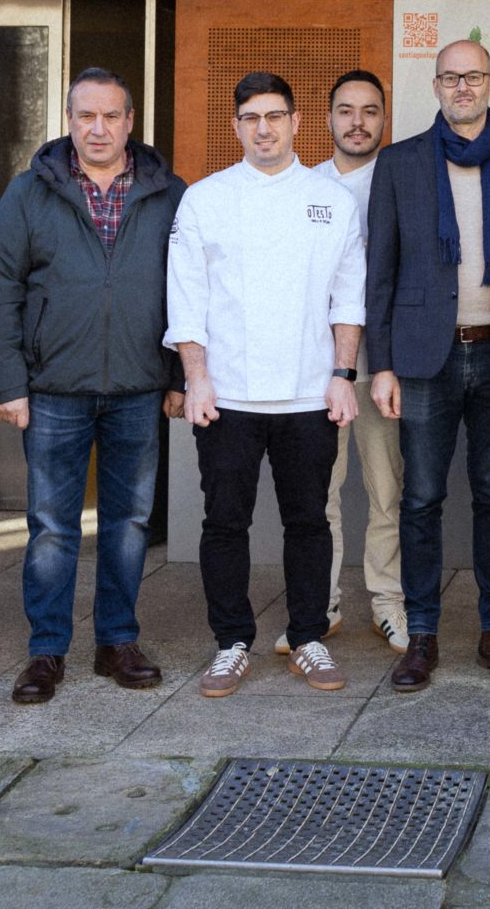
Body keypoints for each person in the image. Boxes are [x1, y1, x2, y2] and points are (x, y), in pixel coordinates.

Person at [0, 68, 186, 705]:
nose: (99, 128)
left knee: (129, 523)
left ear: (129, 121)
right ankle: (47, 651)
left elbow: (195, 291)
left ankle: (118, 640)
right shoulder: (29, 193)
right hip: (53, 389)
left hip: (139, 387)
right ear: (69, 119)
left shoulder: (168, 193)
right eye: (86, 116)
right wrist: (6, 384)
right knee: (52, 526)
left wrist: (178, 375)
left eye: (111, 116)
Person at [168, 72, 365, 697]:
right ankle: (230, 644)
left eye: (275, 115)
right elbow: (187, 298)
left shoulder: (332, 200)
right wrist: (196, 379)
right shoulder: (205, 199)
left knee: (309, 520)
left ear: (296, 122)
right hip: (226, 396)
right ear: (236, 126)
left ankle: (308, 637)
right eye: (251, 117)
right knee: (224, 523)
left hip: (310, 394)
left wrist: (342, 374)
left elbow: (348, 296)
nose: (264, 128)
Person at [366, 39, 490, 693]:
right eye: (450, 78)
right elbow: (379, 270)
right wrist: (379, 364)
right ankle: (421, 637)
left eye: (472, 77)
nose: (462, 87)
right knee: (421, 498)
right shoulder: (401, 163)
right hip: (422, 357)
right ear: (437, 86)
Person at [272, 70, 407, 658]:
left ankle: (388, 602)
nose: (358, 121)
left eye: (370, 111)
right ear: (325, 119)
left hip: (380, 364)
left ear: (384, 119)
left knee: (386, 489)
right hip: (312, 368)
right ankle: (318, 607)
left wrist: (393, 362)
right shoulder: (300, 186)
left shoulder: (402, 181)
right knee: (318, 494)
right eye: (346, 110)